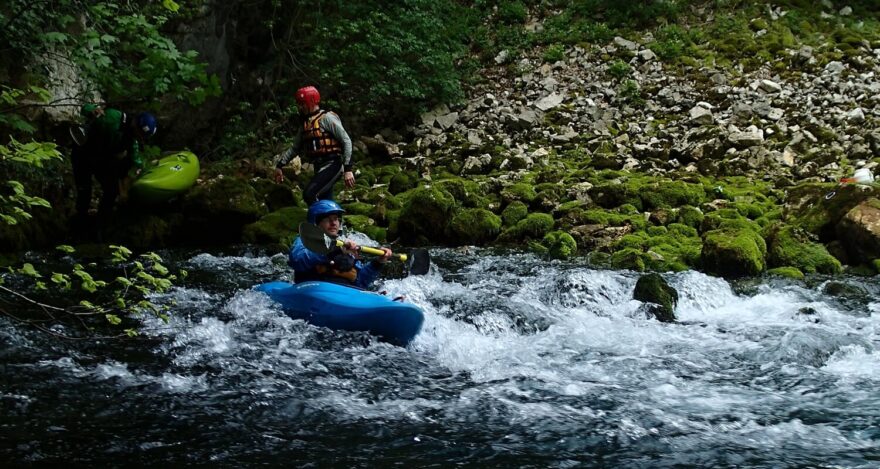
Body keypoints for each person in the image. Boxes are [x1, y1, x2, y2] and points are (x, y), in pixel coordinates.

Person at [70, 104, 156, 220]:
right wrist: (92, 111)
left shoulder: (131, 140)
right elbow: (86, 109)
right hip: (83, 155)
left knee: (112, 190)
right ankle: (80, 219)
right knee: (84, 191)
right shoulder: (113, 117)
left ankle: (101, 221)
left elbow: (135, 159)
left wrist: (142, 169)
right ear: (135, 123)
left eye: (143, 136)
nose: (140, 138)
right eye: (140, 133)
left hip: (99, 160)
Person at [274, 86, 354, 204]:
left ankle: (319, 221)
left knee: (310, 194)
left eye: (302, 104)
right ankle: (336, 221)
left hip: (333, 164)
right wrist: (280, 165)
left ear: (311, 102)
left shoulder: (327, 118)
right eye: (299, 104)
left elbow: (346, 141)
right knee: (325, 199)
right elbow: (295, 148)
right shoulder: (305, 124)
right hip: (318, 166)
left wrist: (348, 169)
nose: (300, 107)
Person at [289, 200, 392, 289]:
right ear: (316, 223)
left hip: (342, 294)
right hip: (311, 290)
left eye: (335, 219)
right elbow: (297, 260)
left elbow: (360, 282)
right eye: (327, 219)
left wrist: (378, 263)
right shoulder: (305, 240)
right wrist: (332, 250)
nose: (333, 223)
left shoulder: (344, 245)